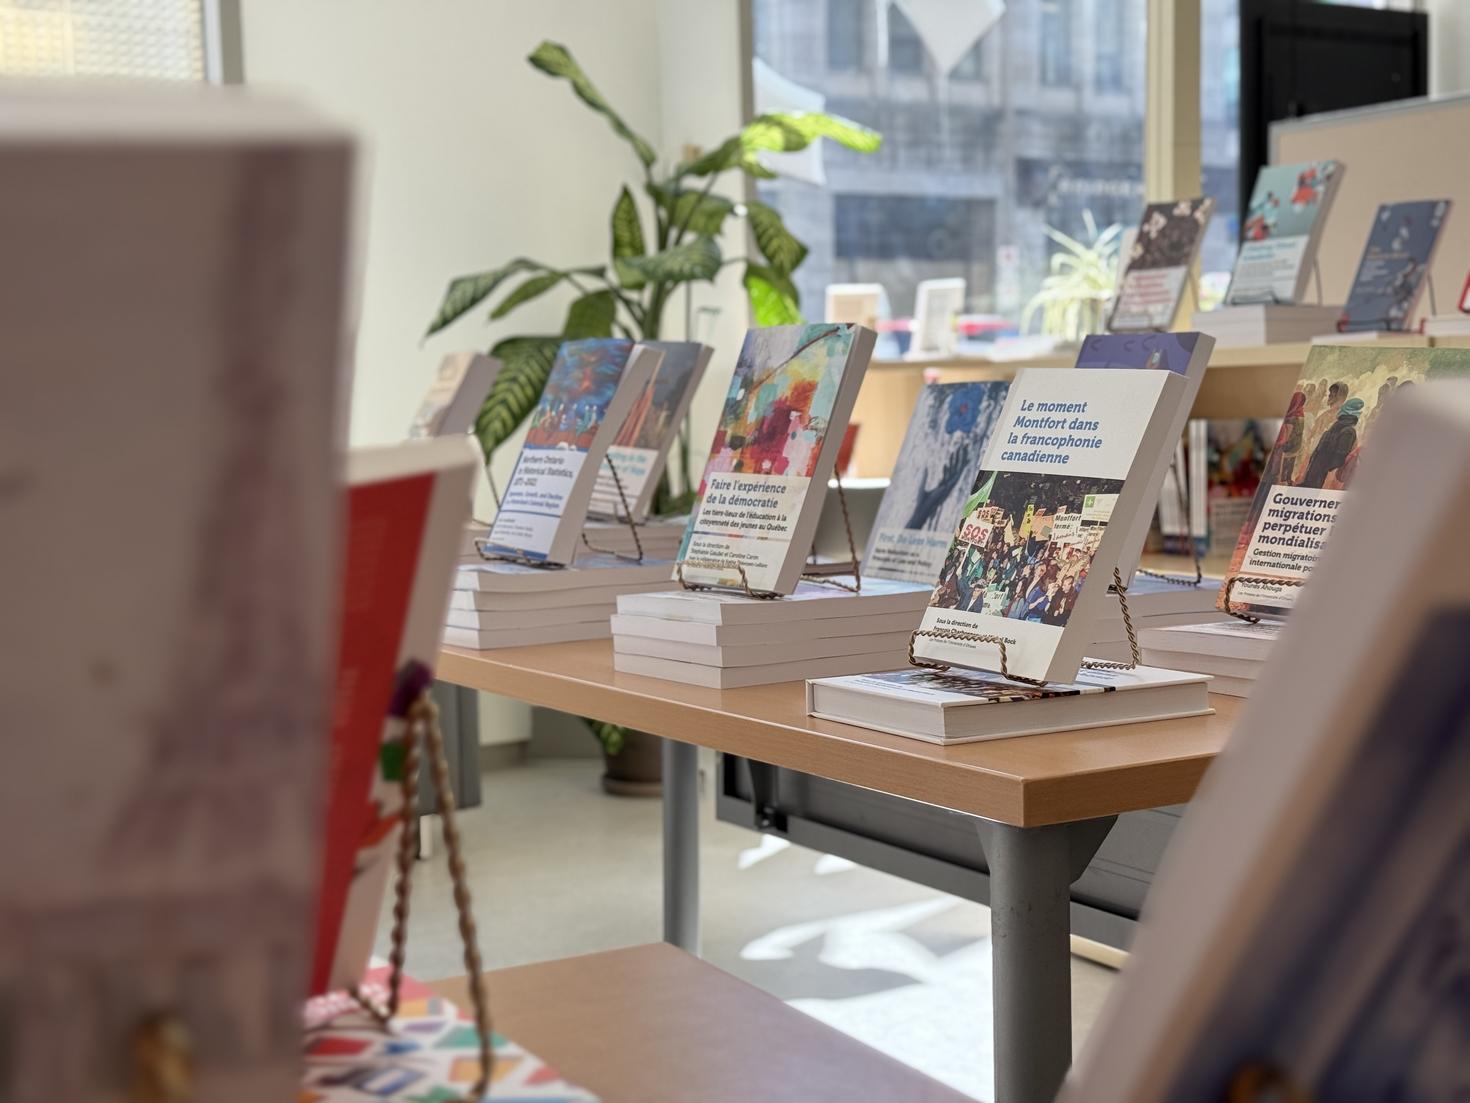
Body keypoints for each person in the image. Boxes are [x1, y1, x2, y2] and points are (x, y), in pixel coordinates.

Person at [1299, 396, 1364, 489]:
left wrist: (1327, 466)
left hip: (1320, 468)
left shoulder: (1342, 428)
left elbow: (1337, 454)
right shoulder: (1346, 429)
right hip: (1322, 469)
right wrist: (1328, 466)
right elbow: (1338, 454)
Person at [1261, 391, 1306, 487]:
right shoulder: (1301, 414)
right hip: (1295, 447)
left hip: (1286, 448)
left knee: (1279, 473)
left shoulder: (1291, 417)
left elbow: (1286, 436)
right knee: (1288, 471)